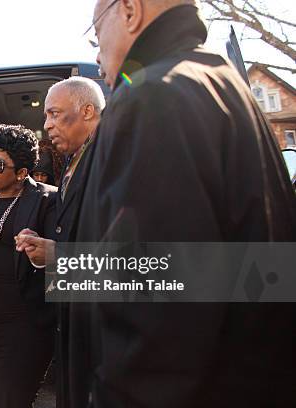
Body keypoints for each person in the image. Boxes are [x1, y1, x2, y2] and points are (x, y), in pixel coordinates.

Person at [68, 1, 296, 407]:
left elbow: (155, 307)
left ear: (130, 11)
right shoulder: (223, 82)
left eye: (96, 33)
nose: (97, 52)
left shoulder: (152, 94)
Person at [14, 76, 105, 407]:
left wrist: (62, 255)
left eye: (54, 114)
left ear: (87, 111)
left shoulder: (114, 159)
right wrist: (45, 252)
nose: (47, 125)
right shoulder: (72, 161)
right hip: (75, 318)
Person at [0, 124, 57, 407]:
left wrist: (42, 252)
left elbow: (59, 259)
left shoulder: (47, 200)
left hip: (25, 323)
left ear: (21, 173)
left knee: (12, 398)